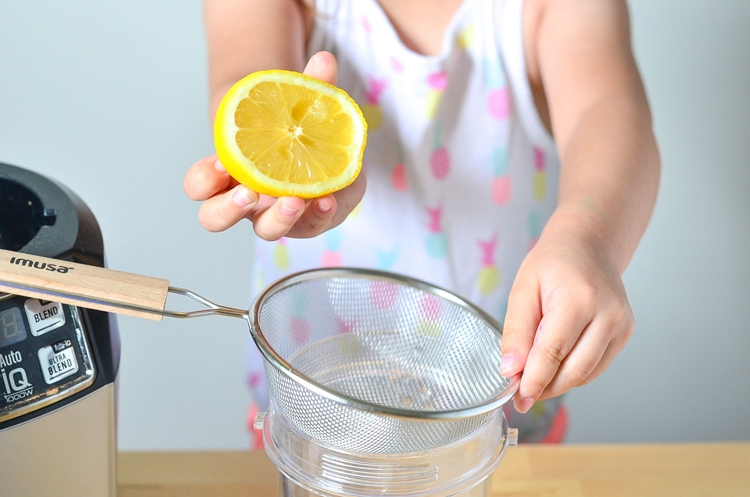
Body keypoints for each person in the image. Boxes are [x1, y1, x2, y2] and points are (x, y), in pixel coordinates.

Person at [185, 0, 660, 446]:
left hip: (500, 438)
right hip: (310, 432)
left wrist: (588, 236)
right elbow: (244, 84)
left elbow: (608, 108)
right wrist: (278, 175)